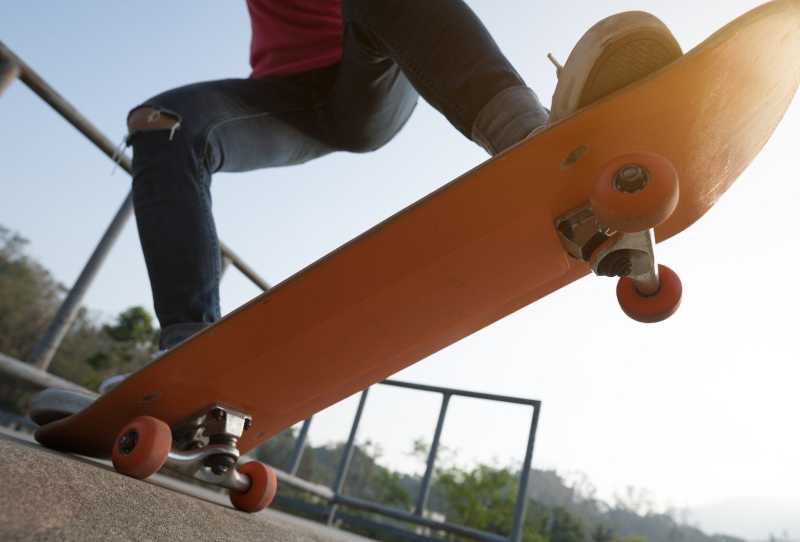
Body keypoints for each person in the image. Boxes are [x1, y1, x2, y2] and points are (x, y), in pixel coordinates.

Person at [125, 0, 682, 353]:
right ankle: (185, 347)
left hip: (365, 75)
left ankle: (536, 149)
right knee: (162, 125)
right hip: (283, 104)